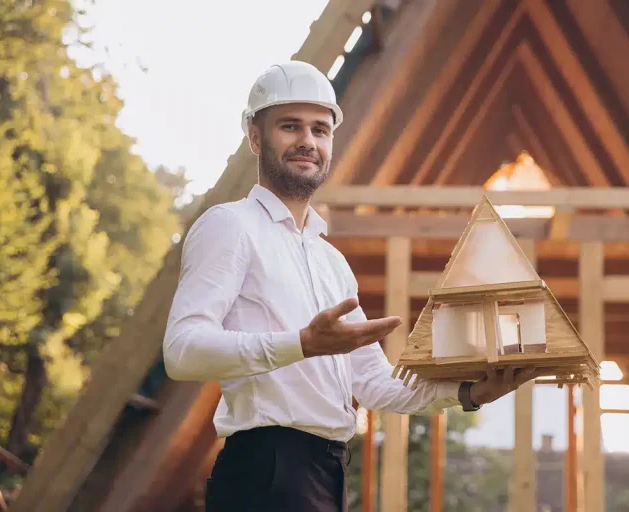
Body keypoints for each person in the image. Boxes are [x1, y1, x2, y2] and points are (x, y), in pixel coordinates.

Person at [162, 61, 532, 512]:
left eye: (320, 130)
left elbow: (375, 382)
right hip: (267, 471)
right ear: (255, 137)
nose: (307, 142)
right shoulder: (230, 226)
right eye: (290, 126)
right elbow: (181, 351)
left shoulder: (331, 261)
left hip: (326, 471)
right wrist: (302, 343)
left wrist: (469, 393)